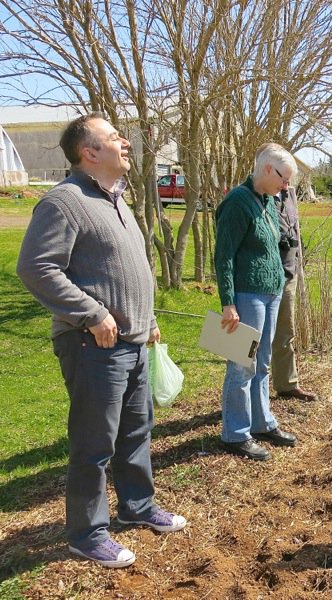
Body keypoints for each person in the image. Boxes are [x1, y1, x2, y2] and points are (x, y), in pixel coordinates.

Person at [16, 113, 186, 569]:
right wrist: (92, 314)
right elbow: (36, 267)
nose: (125, 143)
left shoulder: (116, 200)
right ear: (88, 152)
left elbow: (125, 269)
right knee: (94, 445)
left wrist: (148, 318)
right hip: (93, 346)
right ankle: (87, 534)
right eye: (113, 137)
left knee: (136, 431)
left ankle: (137, 506)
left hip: (133, 341)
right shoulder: (65, 201)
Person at [215, 142, 299, 461]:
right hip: (247, 296)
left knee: (262, 361)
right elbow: (223, 256)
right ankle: (235, 433)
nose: (285, 186)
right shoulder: (237, 202)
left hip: (271, 293)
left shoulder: (266, 200)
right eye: (283, 178)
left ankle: (261, 422)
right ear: (266, 169)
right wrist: (228, 303)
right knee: (242, 364)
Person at [271, 182, 318, 402]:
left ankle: (287, 384)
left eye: (289, 178)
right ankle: (243, 394)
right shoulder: (255, 194)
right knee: (250, 338)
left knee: (285, 333)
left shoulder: (289, 194)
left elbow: (294, 228)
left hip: (289, 273)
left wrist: (298, 262)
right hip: (260, 279)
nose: (287, 183)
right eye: (283, 177)